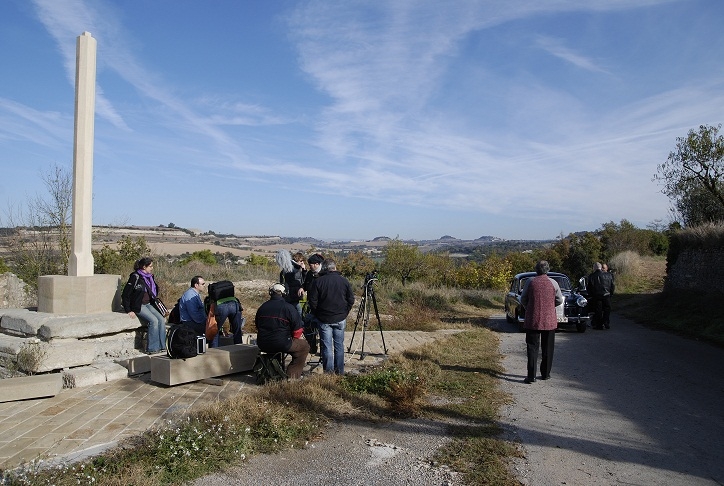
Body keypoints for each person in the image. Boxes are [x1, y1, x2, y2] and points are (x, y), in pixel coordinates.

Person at [307, 258, 355, 375]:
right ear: (335, 267)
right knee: (339, 346)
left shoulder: (318, 282)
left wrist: (318, 314)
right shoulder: (344, 281)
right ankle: (339, 372)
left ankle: (328, 374)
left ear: (324, 268)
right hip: (340, 318)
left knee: (327, 347)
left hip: (324, 319)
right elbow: (351, 300)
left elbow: (312, 301)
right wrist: (345, 313)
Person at [520, 260, 564, 383]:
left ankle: (531, 376)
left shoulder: (530, 282)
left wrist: (529, 307)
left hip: (533, 319)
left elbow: (523, 298)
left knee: (532, 347)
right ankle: (545, 374)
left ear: (536, 270)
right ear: (548, 269)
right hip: (549, 319)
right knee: (548, 348)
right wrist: (550, 306)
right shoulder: (553, 283)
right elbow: (559, 300)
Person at [255, 283, 310, 379]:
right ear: (285, 294)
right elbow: (298, 331)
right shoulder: (289, 308)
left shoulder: (262, 307)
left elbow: (257, 325)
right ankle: (292, 377)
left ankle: (274, 371)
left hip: (263, 343)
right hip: (282, 343)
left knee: (274, 349)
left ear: (271, 293)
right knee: (304, 347)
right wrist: (294, 338)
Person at [121, 257, 167, 354]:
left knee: (161, 319)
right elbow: (126, 294)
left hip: (149, 303)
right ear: (143, 267)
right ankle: (153, 348)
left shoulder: (150, 277)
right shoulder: (135, 277)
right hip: (139, 305)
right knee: (153, 321)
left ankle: (163, 345)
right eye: (150, 266)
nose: (152, 268)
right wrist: (128, 310)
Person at [302, 253, 325, 354]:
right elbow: (305, 285)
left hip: (322, 307)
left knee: (323, 329)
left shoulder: (325, 274)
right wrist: (302, 288)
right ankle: (311, 346)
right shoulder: (309, 274)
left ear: (316, 264)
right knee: (307, 325)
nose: (309, 267)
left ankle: (324, 350)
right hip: (311, 306)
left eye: (310, 265)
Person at [276, 250, 307, 316]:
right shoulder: (293, 270)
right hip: (292, 295)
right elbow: (300, 280)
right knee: (297, 310)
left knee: (296, 310)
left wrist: (304, 270)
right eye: (301, 261)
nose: (302, 263)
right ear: (297, 260)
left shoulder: (295, 269)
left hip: (293, 295)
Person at [589, 262, 615, 329]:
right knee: (607, 309)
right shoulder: (609, 275)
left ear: (594, 268)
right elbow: (612, 285)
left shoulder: (592, 276)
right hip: (607, 295)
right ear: (601, 267)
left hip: (597, 296)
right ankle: (606, 321)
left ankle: (599, 325)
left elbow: (589, 287)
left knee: (598, 310)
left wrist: (591, 295)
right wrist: (611, 293)